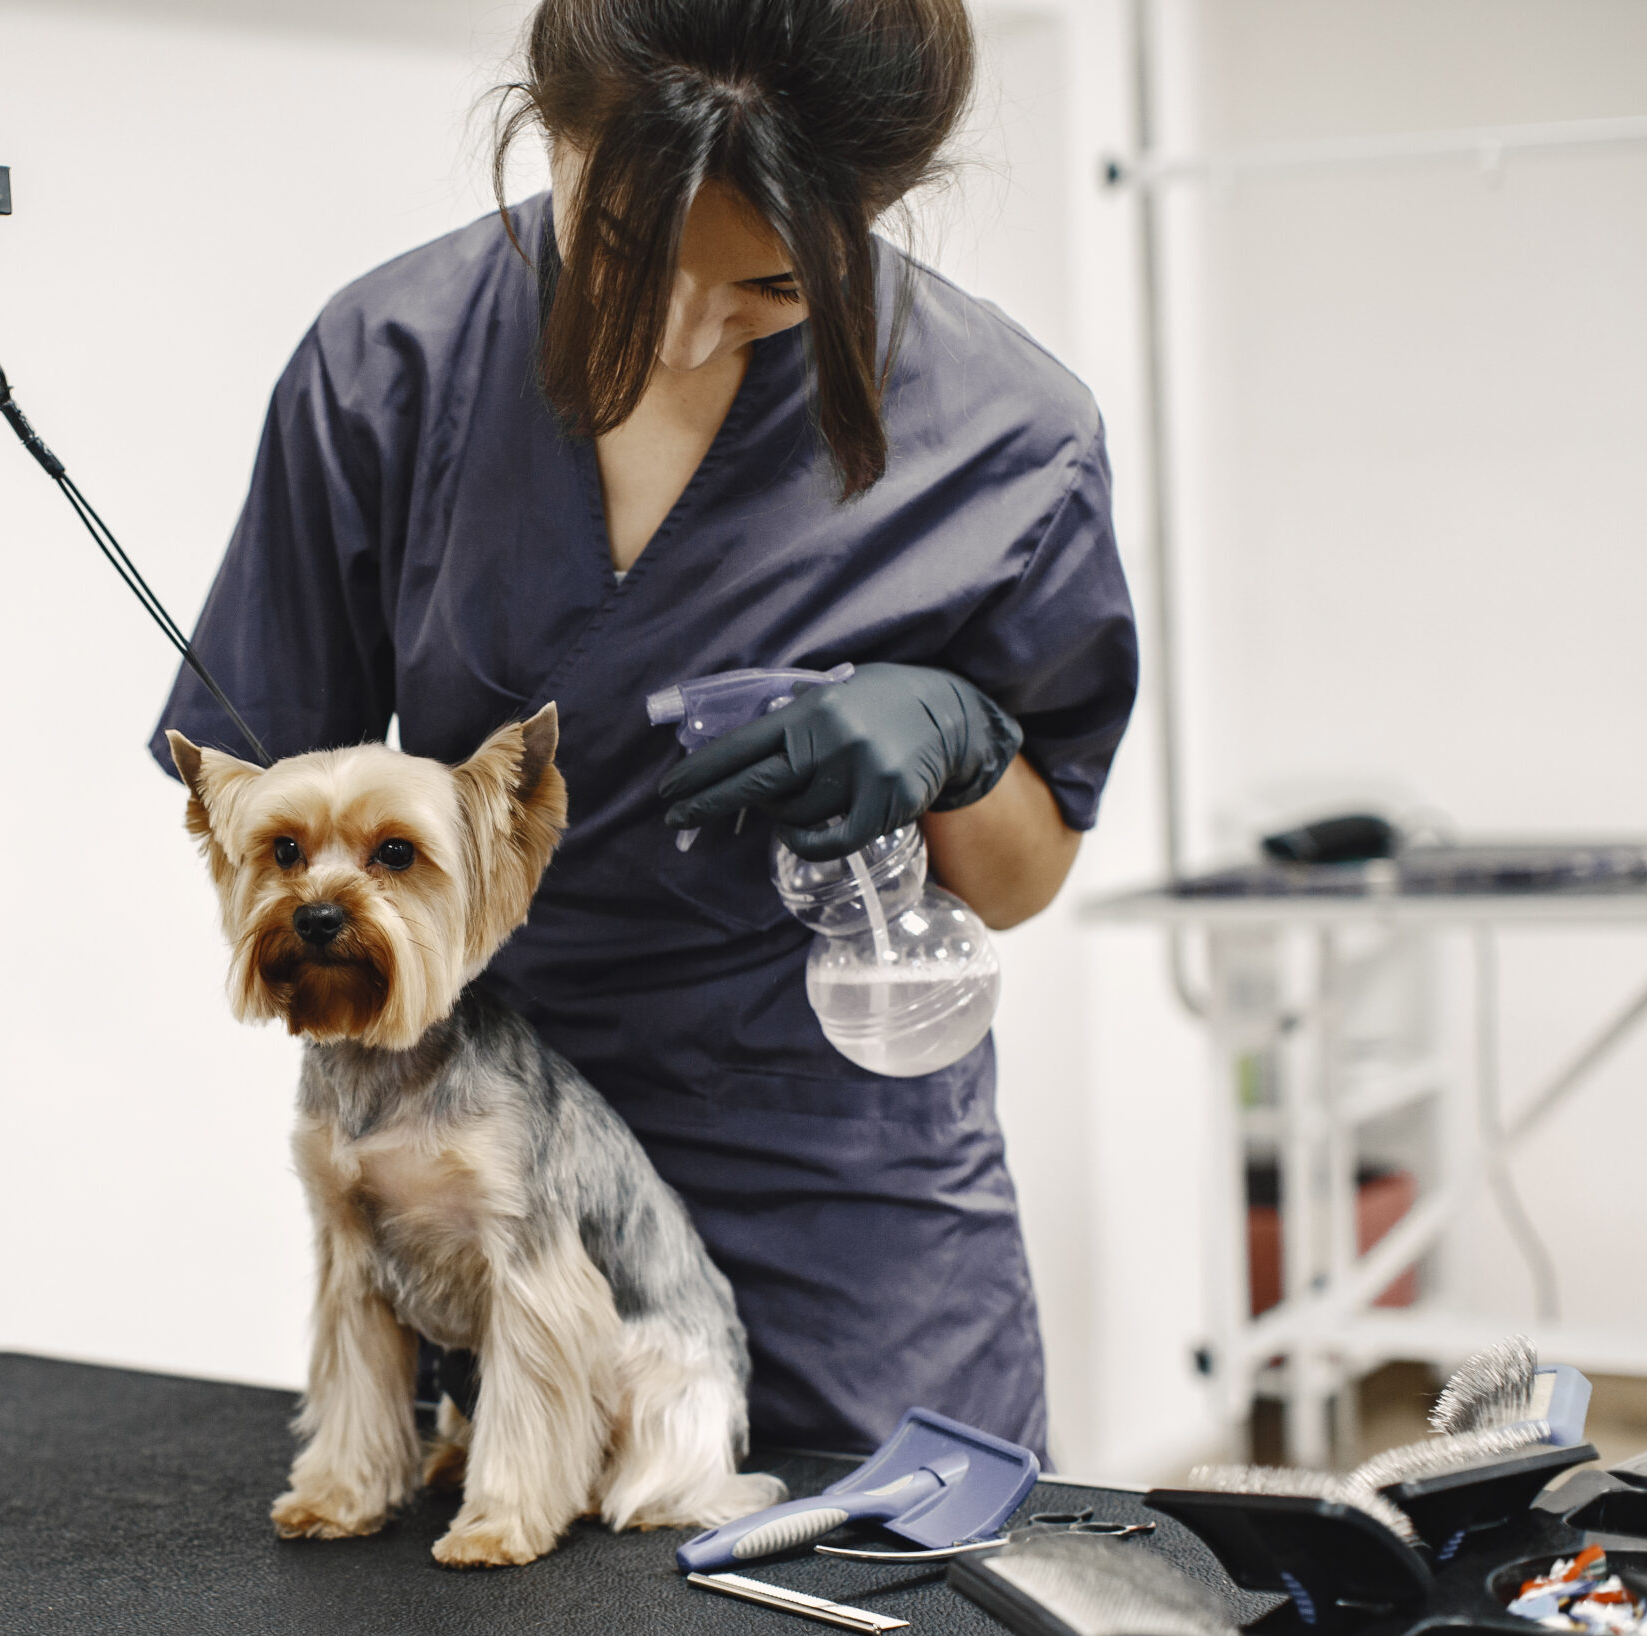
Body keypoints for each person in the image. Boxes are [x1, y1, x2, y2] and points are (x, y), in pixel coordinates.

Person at [149, 0, 1135, 1460]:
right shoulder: (388, 371)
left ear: (874, 209)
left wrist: (962, 746)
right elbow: (276, 819)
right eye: (621, 251)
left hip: (839, 1185)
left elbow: (1017, 880)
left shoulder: (1008, 439)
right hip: (487, 1157)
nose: (679, 332)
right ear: (547, 125)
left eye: (771, 290)